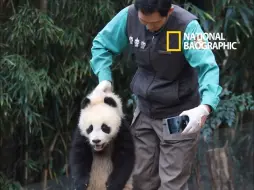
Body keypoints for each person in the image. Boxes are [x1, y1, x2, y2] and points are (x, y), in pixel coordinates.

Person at [89, 0, 222, 189]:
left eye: (154, 24)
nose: (148, 28)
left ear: (169, 11)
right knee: (141, 179)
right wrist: (104, 79)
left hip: (179, 114)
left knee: (172, 183)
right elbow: (101, 45)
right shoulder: (129, 16)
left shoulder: (186, 27)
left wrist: (205, 106)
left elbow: (207, 68)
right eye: (143, 22)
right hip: (145, 111)